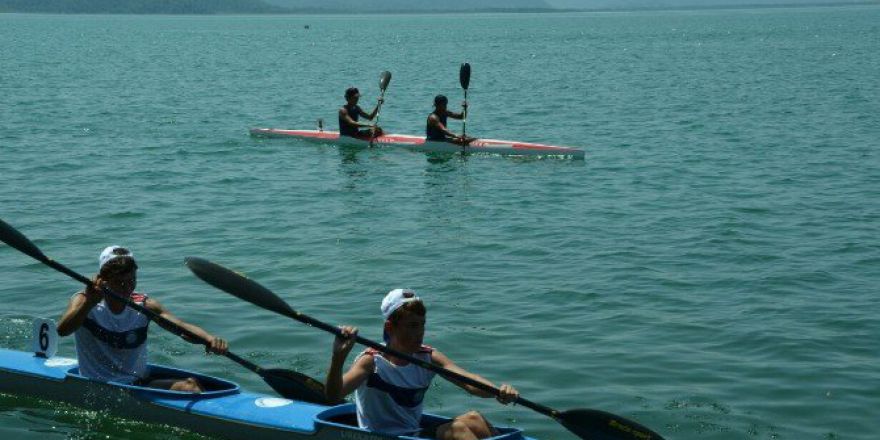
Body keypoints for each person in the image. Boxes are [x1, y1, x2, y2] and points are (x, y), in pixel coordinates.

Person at [326, 289, 519, 440]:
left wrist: (498, 392)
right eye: (412, 326)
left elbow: (469, 382)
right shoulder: (371, 361)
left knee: (475, 418)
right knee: (458, 430)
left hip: (413, 433)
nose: (420, 332)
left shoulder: (427, 357)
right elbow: (333, 397)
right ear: (390, 327)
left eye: (422, 324)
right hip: (381, 437)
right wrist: (338, 358)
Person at [57, 246, 228, 392]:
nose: (127, 288)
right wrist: (90, 302)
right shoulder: (84, 300)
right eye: (119, 282)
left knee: (192, 386)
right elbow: (63, 330)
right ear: (103, 280)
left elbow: (181, 328)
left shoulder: (145, 306)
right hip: (96, 385)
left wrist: (209, 339)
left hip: (135, 382)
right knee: (189, 388)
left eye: (132, 281)